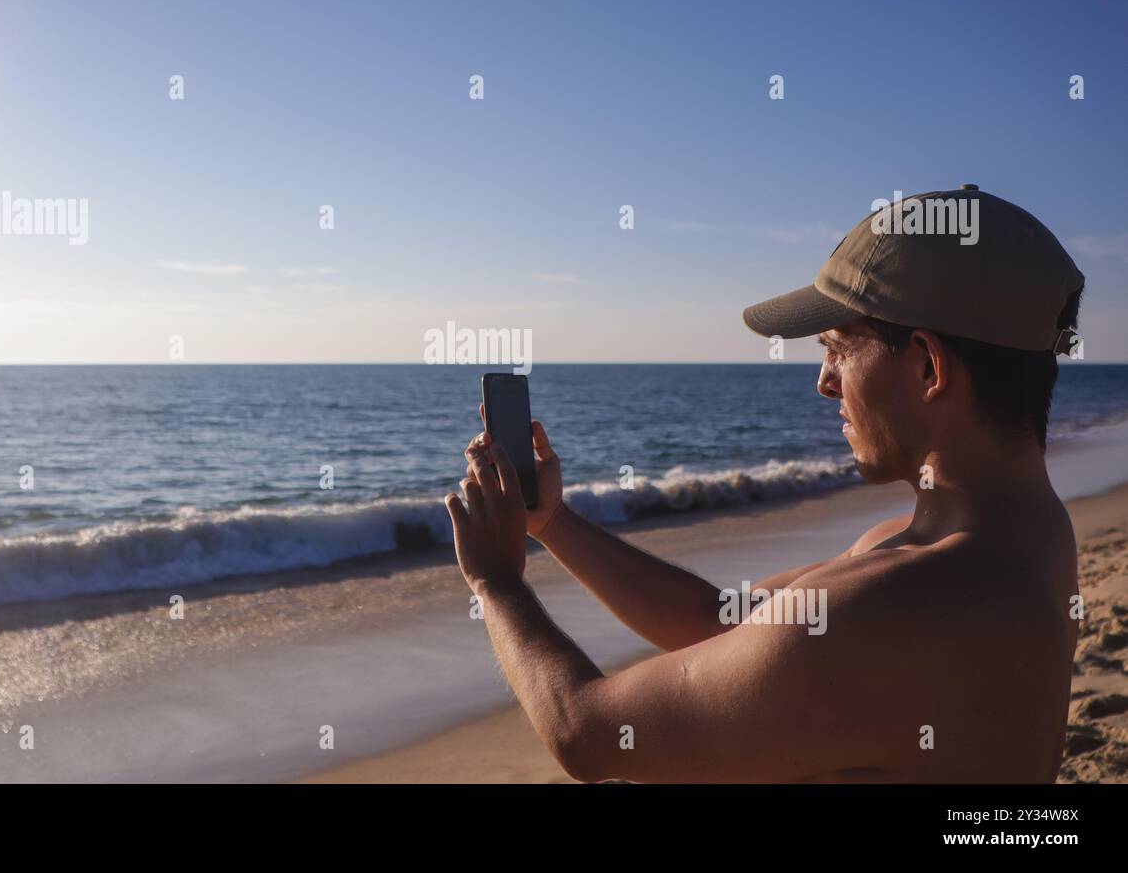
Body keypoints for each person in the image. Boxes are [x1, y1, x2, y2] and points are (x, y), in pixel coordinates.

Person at [444, 185, 1086, 782]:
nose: (824, 381)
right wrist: (551, 522)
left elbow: (586, 730)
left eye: (838, 349)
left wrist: (494, 583)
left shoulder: (888, 608)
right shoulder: (1024, 538)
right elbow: (714, 619)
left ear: (927, 365)